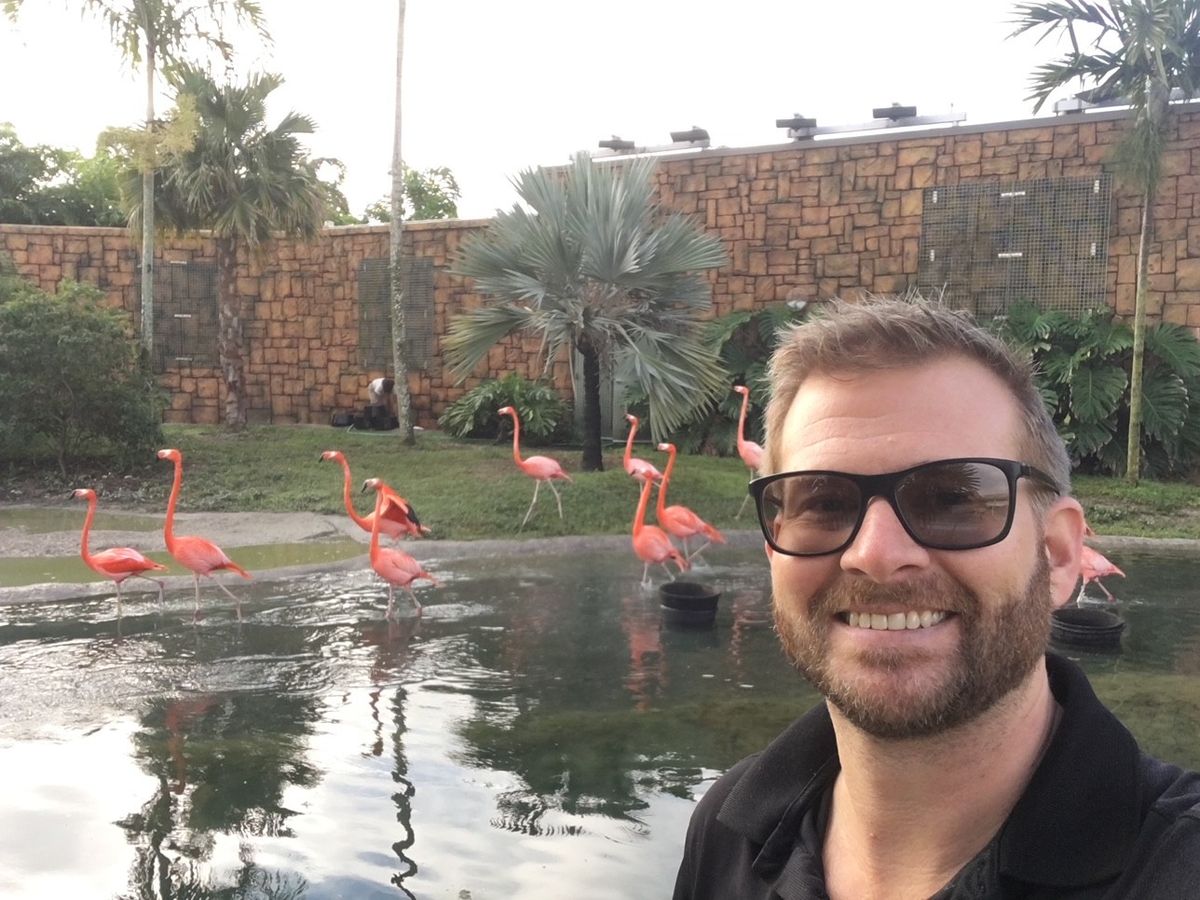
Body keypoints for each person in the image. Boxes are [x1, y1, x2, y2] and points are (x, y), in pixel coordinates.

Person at [673, 298, 1200, 899]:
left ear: (1057, 555)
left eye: (952, 498)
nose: (874, 553)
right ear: (775, 554)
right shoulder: (726, 833)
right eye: (822, 502)